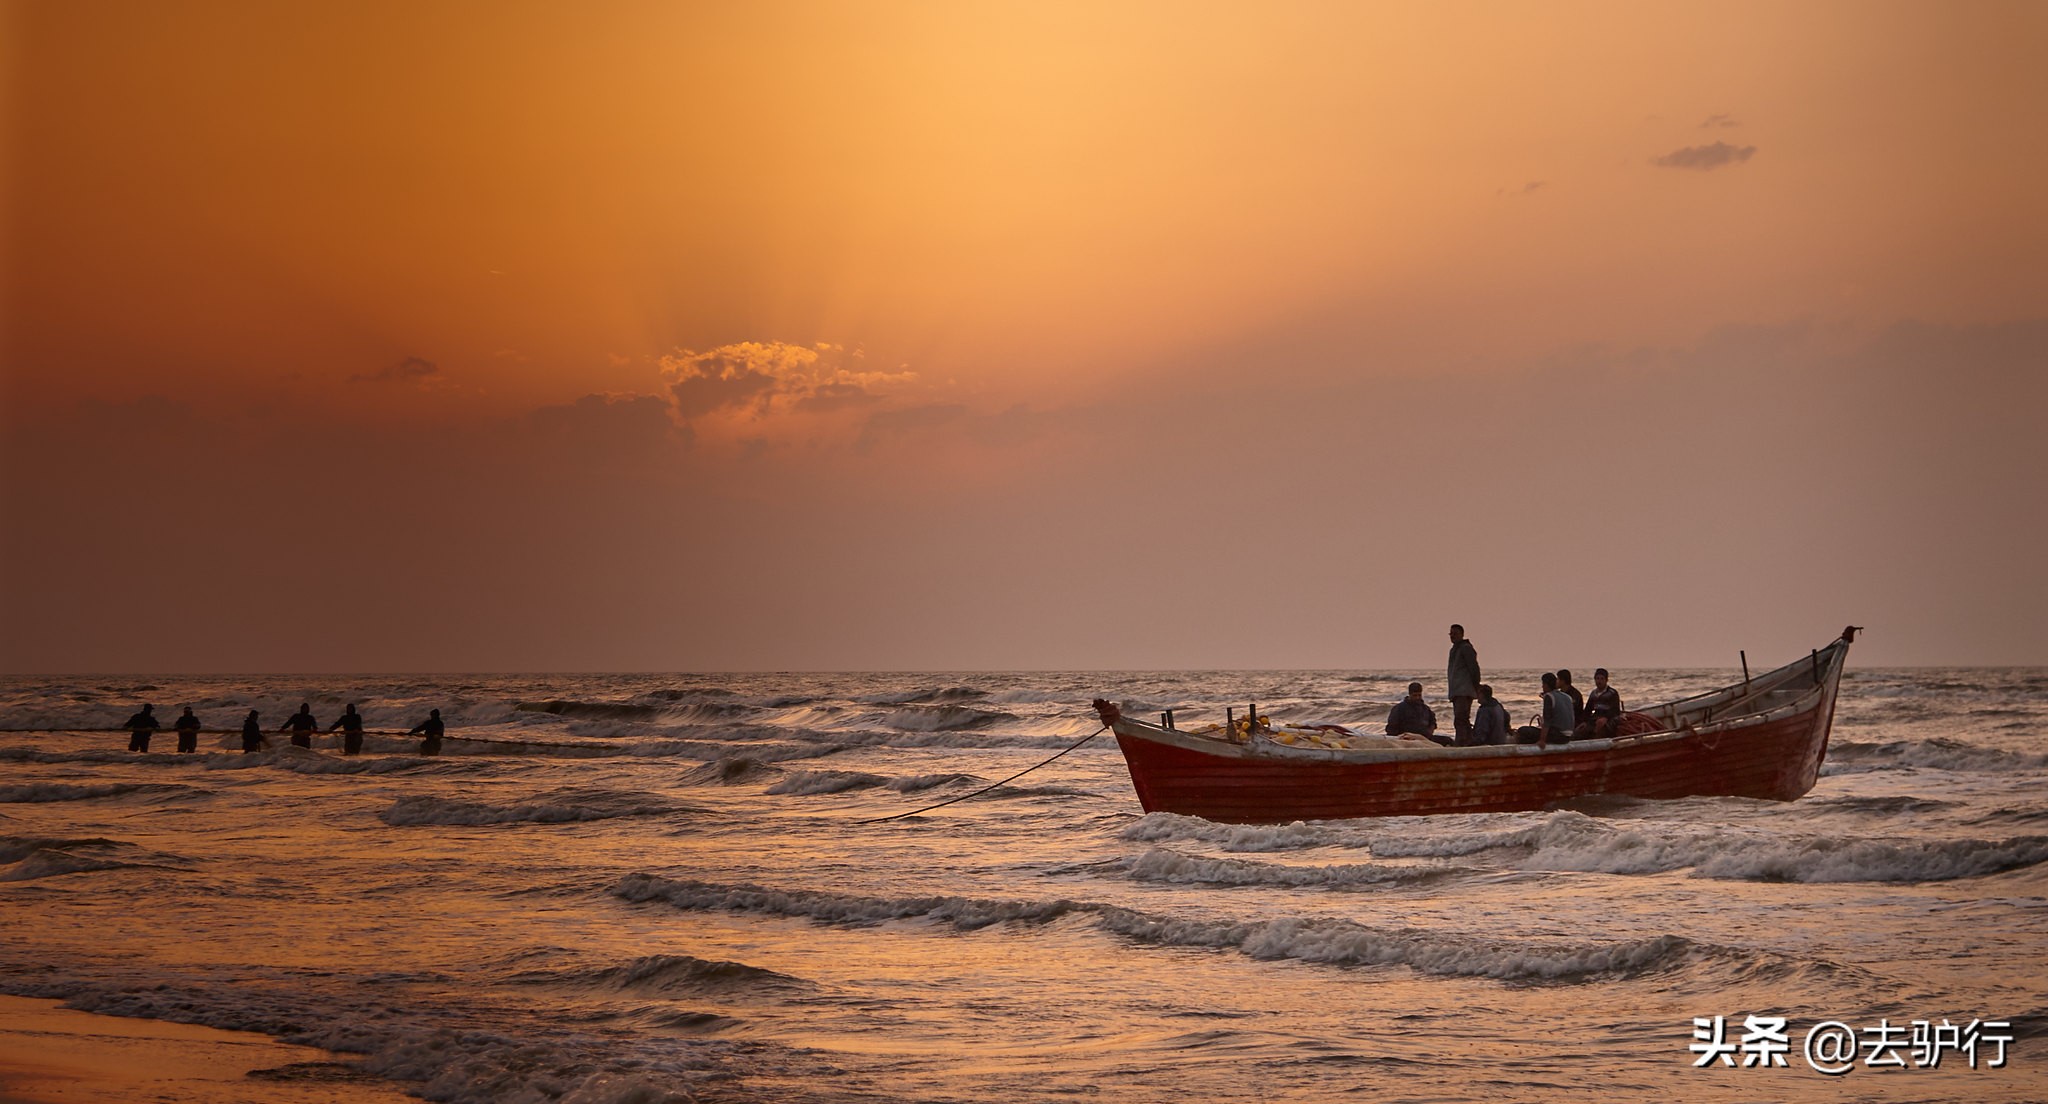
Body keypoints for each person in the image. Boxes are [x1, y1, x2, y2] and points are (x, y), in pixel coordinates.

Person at [1447, 624, 1481, 744]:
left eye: (1455, 634)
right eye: (1451, 634)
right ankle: (1463, 741)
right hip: (1457, 690)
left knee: (1461, 718)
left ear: (1462, 634)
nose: (1452, 636)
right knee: (1460, 719)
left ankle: (1464, 742)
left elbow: (1474, 668)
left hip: (1464, 690)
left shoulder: (1465, 648)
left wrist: (1476, 686)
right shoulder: (1454, 649)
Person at [1581, 668, 1624, 740]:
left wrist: (1605, 718)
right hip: (1596, 718)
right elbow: (1588, 710)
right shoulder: (1593, 694)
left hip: (1610, 719)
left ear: (1606, 680)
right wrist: (1584, 721)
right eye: (1597, 678)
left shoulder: (1612, 693)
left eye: (1602, 679)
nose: (1599, 681)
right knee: (1581, 730)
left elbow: (1615, 710)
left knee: (1601, 730)